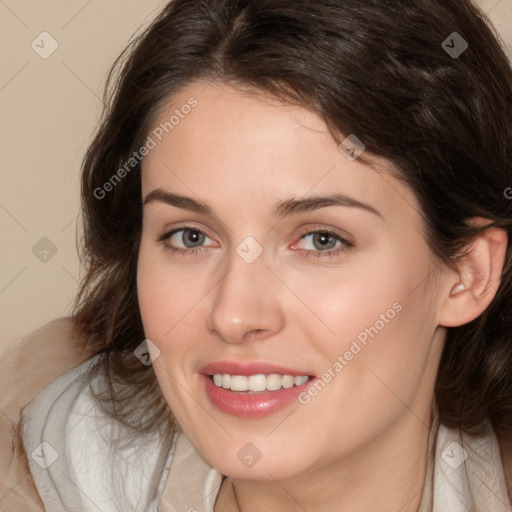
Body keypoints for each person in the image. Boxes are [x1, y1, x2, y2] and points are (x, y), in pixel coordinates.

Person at [2, 0, 512, 510]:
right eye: (190, 237)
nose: (234, 315)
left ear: (468, 272)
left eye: (320, 240)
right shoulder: (38, 463)